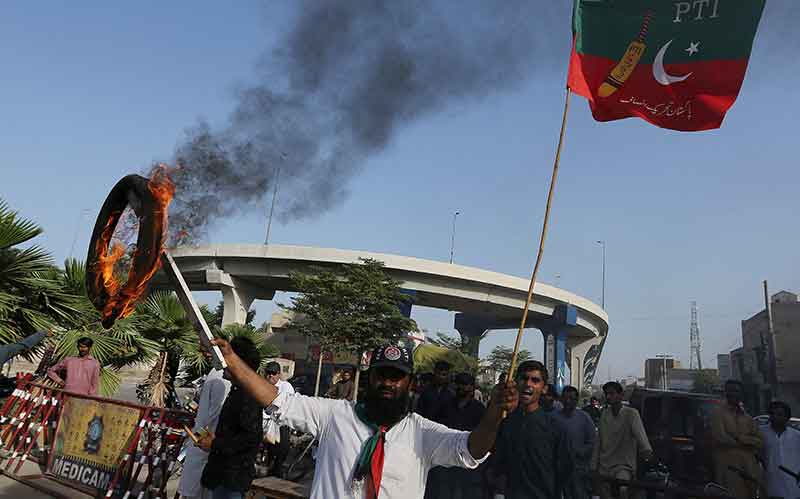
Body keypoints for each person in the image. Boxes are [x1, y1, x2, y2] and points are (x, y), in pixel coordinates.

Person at [211, 339, 517, 499]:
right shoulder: (334, 415)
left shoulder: (421, 433)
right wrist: (234, 363)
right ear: (370, 379)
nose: (388, 383)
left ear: (410, 385)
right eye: (382, 375)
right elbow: (279, 400)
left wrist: (493, 415)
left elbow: (470, 450)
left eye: (397, 378)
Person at [492, 360, 573, 499]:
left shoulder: (556, 427)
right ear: (516, 382)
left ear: (544, 388)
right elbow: (498, 465)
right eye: (524, 378)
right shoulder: (506, 423)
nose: (528, 384)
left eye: (535, 380)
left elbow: (565, 470)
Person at [198, 337, 264, 499]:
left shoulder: (248, 395)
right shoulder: (237, 390)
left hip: (232, 478)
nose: (223, 366)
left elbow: (250, 438)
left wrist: (215, 443)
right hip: (223, 475)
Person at [425, 372, 486, 499]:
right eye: (458, 384)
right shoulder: (445, 405)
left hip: (467, 460)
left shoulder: (479, 409)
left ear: (472, 387)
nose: (460, 387)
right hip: (445, 459)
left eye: (464, 385)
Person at [178, 361, 231, 499]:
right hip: (205, 439)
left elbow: (212, 415)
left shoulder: (220, 374)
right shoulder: (219, 374)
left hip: (205, 439)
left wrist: (198, 435)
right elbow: (211, 414)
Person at [592, 381, 653, 499]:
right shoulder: (604, 414)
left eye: (612, 393)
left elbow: (641, 436)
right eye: (607, 394)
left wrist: (647, 451)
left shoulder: (631, 414)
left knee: (623, 491)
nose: (609, 396)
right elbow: (598, 442)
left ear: (621, 395)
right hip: (604, 466)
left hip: (623, 467)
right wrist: (593, 467)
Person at [709, 380, 763, 499]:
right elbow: (721, 438)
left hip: (749, 468)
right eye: (730, 390)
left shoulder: (747, 417)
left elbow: (759, 441)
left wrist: (739, 438)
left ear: (741, 393)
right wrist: (748, 443)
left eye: (737, 391)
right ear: (725, 392)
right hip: (729, 466)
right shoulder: (717, 413)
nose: (733, 394)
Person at [554, 385, 595, 499]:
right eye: (565, 398)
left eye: (571, 399)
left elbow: (592, 441)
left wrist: (580, 453)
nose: (568, 401)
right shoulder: (553, 418)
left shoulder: (585, 418)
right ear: (561, 399)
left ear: (576, 400)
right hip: (558, 468)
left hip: (579, 468)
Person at [760, 400, 800, 499]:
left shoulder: (796, 435)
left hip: (793, 484)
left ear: (787, 417)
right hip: (771, 483)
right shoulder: (761, 432)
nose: (775, 417)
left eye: (780, 414)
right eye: (772, 414)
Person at [263, 360, 295, 477]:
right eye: (268, 372)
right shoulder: (262, 384)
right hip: (264, 422)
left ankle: (277, 470)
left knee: (282, 448)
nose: (270, 375)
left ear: (279, 374)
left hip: (280, 423)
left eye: (273, 373)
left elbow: (287, 404)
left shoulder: (286, 386)